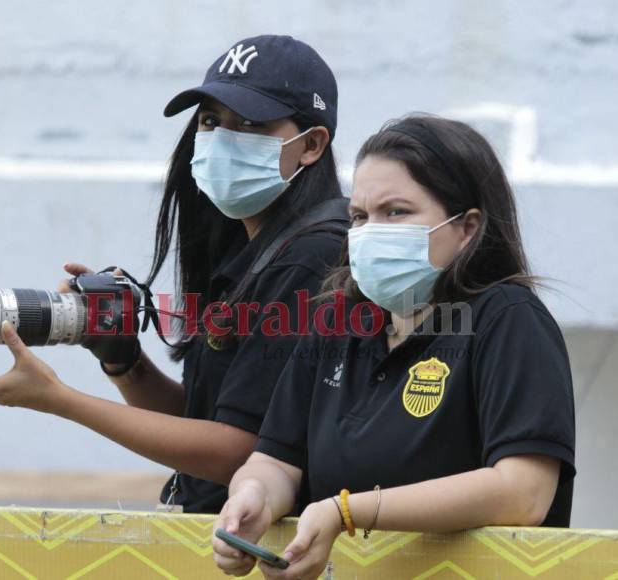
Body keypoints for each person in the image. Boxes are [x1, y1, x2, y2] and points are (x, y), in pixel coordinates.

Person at [0, 35, 348, 513]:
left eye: (249, 124)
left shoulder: (312, 257)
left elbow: (243, 453)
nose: (221, 139)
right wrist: (123, 360)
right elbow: (204, 422)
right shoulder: (253, 252)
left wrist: (57, 398)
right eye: (210, 121)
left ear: (311, 145)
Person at [212, 115, 576, 579]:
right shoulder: (336, 324)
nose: (370, 232)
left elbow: (523, 493)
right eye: (360, 217)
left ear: (467, 227)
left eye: (396, 212)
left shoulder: (507, 318)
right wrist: (251, 499)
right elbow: (276, 461)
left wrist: (347, 512)